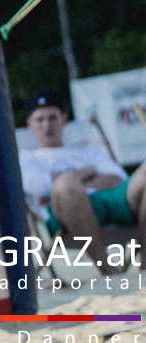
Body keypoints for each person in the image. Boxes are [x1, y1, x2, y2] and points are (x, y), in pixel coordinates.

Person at [20, 90, 146, 267]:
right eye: (40, 120)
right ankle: (107, 268)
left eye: (52, 118)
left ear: (63, 119)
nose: (47, 125)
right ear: (30, 124)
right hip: (64, 213)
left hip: (110, 201)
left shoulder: (88, 150)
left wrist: (61, 180)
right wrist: (89, 172)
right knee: (66, 188)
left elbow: (118, 178)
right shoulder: (27, 157)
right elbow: (38, 187)